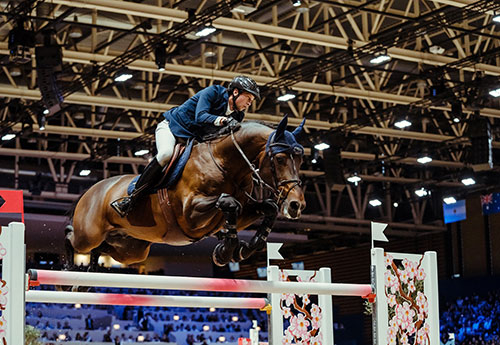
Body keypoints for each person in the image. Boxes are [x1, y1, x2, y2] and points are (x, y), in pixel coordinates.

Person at [111, 75, 260, 217]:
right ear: (235, 92)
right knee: (165, 154)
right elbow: (200, 116)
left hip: (192, 140)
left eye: (251, 100)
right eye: (248, 98)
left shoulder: (238, 115)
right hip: (172, 129)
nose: (249, 103)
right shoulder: (213, 92)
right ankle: (132, 197)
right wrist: (222, 121)